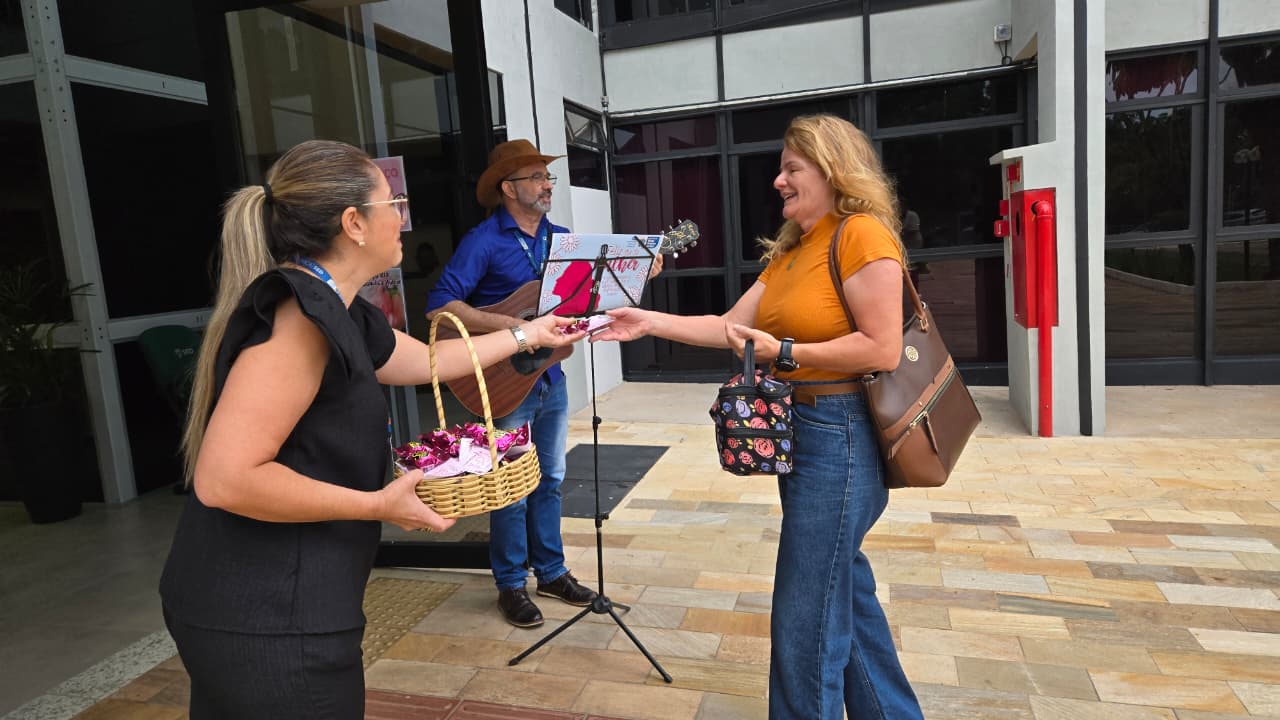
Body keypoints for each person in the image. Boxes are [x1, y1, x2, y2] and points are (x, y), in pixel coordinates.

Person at [158, 139, 586, 719]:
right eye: (394, 203)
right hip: (264, 611)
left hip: (290, 598)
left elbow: (426, 361)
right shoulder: (299, 321)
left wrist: (530, 335)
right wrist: (378, 505)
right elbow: (225, 480)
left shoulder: (343, 307)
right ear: (353, 223)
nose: (404, 218)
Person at [592, 114, 923, 720]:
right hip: (808, 433)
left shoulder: (861, 234)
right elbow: (730, 327)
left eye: (792, 168)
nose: (778, 181)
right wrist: (647, 322)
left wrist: (786, 351)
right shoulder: (795, 248)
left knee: (805, 614)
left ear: (832, 170)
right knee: (840, 590)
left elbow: (881, 348)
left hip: (842, 433)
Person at [427, 138, 661, 628]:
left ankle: (551, 572)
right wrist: (512, 328)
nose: (546, 184)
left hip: (550, 377)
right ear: (508, 188)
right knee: (510, 487)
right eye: (535, 177)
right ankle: (511, 584)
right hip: (506, 381)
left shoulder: (565, 240)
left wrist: (638, 275)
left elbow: (587, 302)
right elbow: (440, 305)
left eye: (547, 176)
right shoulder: (483, 241)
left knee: (550, 480)